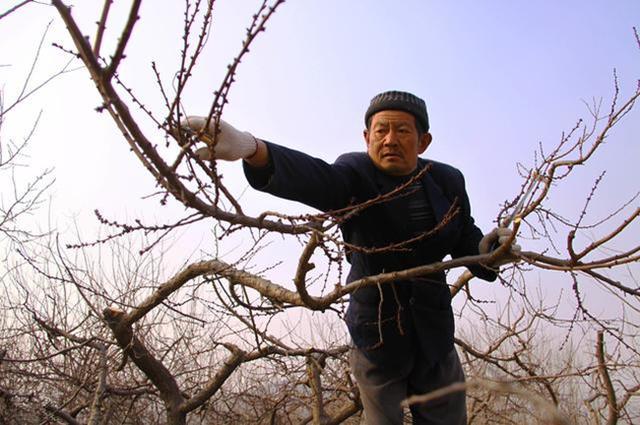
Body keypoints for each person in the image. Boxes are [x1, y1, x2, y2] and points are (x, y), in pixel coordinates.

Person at [181, 90, 518, 424]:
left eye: (402, 131)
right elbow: (317, 179)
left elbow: (465, 240)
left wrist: (491, 252)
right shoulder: (355, 173)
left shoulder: (447, 181)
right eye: (381, 130)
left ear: (423, 141)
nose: (390, 140)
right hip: (376, 334)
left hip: (434, 332)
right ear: (366, 137)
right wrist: (254, 150)